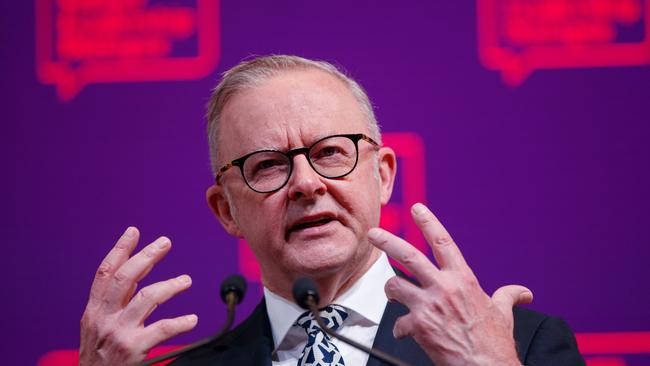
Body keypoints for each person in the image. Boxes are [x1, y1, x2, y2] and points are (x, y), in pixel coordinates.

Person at [79, 55, 585, 366]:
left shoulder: (521, 346)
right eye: (268, 165)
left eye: (329, 153)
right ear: (226, 209)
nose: (306, 183)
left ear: (382, 174)